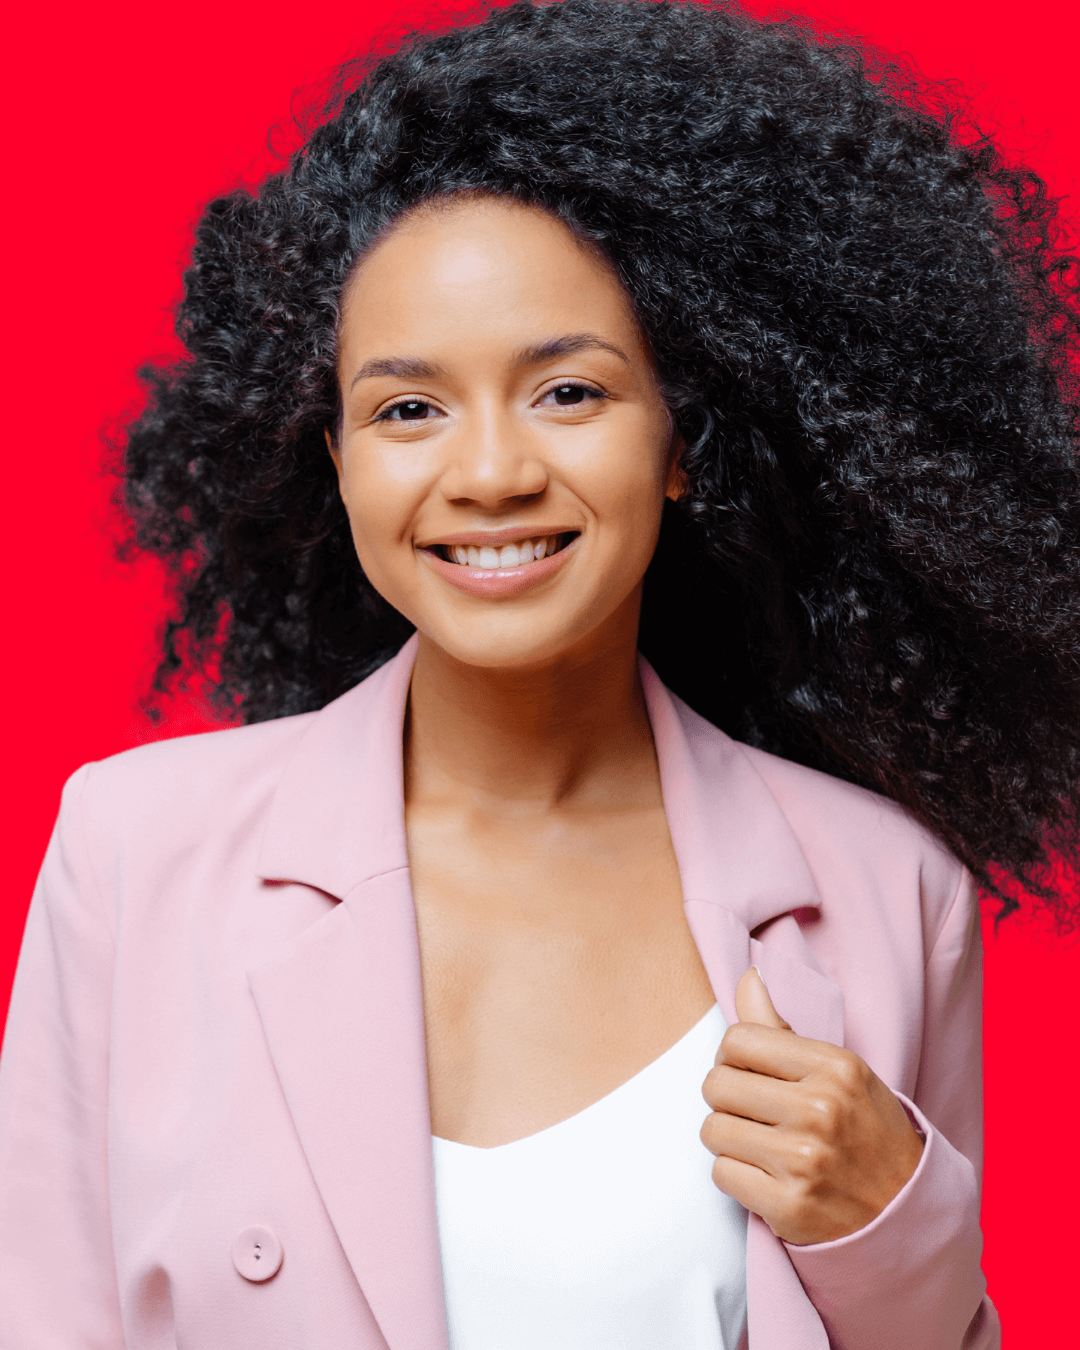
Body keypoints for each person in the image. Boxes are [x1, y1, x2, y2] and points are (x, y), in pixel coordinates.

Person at [2, 0, 1079, 1345]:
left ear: (683, 441)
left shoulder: (886, 888)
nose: (493, 471)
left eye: (568, 390)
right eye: (408, 407)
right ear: (337, 462)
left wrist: (888, 1228)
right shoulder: (133, 852)